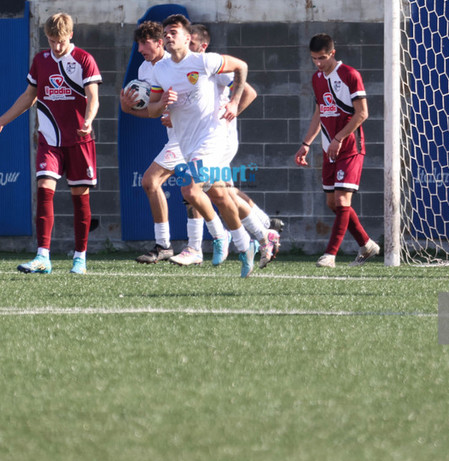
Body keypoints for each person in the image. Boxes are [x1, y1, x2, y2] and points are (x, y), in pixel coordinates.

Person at [0, 12, 100, 275]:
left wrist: (89, 120)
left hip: (79, 139)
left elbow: (93, 97)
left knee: (80, 197)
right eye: (51, 41)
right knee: (44, 189)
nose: (56, 46)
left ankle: (80, 257)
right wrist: (1, 122)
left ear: (70, 35)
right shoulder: (41, 60)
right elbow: (28, 96)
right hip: (50, 139)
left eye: (61, 41)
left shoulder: (84, 60)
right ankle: (42, 256)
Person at [148, 14, 266, 278]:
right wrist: (163, 103)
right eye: (165, 33)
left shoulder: (204, 61)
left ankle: (223, 238)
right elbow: (153, 110)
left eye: (173, 32)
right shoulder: (160, 70)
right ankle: (246, 244)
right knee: (220, 196)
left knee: (189, 188)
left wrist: (234, 102)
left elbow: (242, 66)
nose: (168, 36)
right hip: (186, 142)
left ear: (187, 37)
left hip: (212, 138)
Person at [119, 21, 232, 266]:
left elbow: (229, 86)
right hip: (180, 137)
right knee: (214, 193)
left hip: (197, 137)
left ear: (160, 42)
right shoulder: (146, 70)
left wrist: (230, 106)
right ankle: (259, 229)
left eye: (144, 43)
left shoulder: (184, 62)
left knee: (158, 182)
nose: (140, 49)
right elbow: (153, 111)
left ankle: (173, 245)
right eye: (138, 44)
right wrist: (128, 108)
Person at [294, 33, 380, 268]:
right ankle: (366, 244)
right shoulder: (317, 79)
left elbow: (362, 113)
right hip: (328, 147)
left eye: (322, 58)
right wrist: (306, 143)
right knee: (333, 203)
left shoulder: (350, 75)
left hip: (350, 147)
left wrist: (340, 137)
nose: (318, 63)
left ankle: (330, 255)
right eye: (314, 58)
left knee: (342, 200)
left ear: (332, 53)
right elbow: (319, 112)